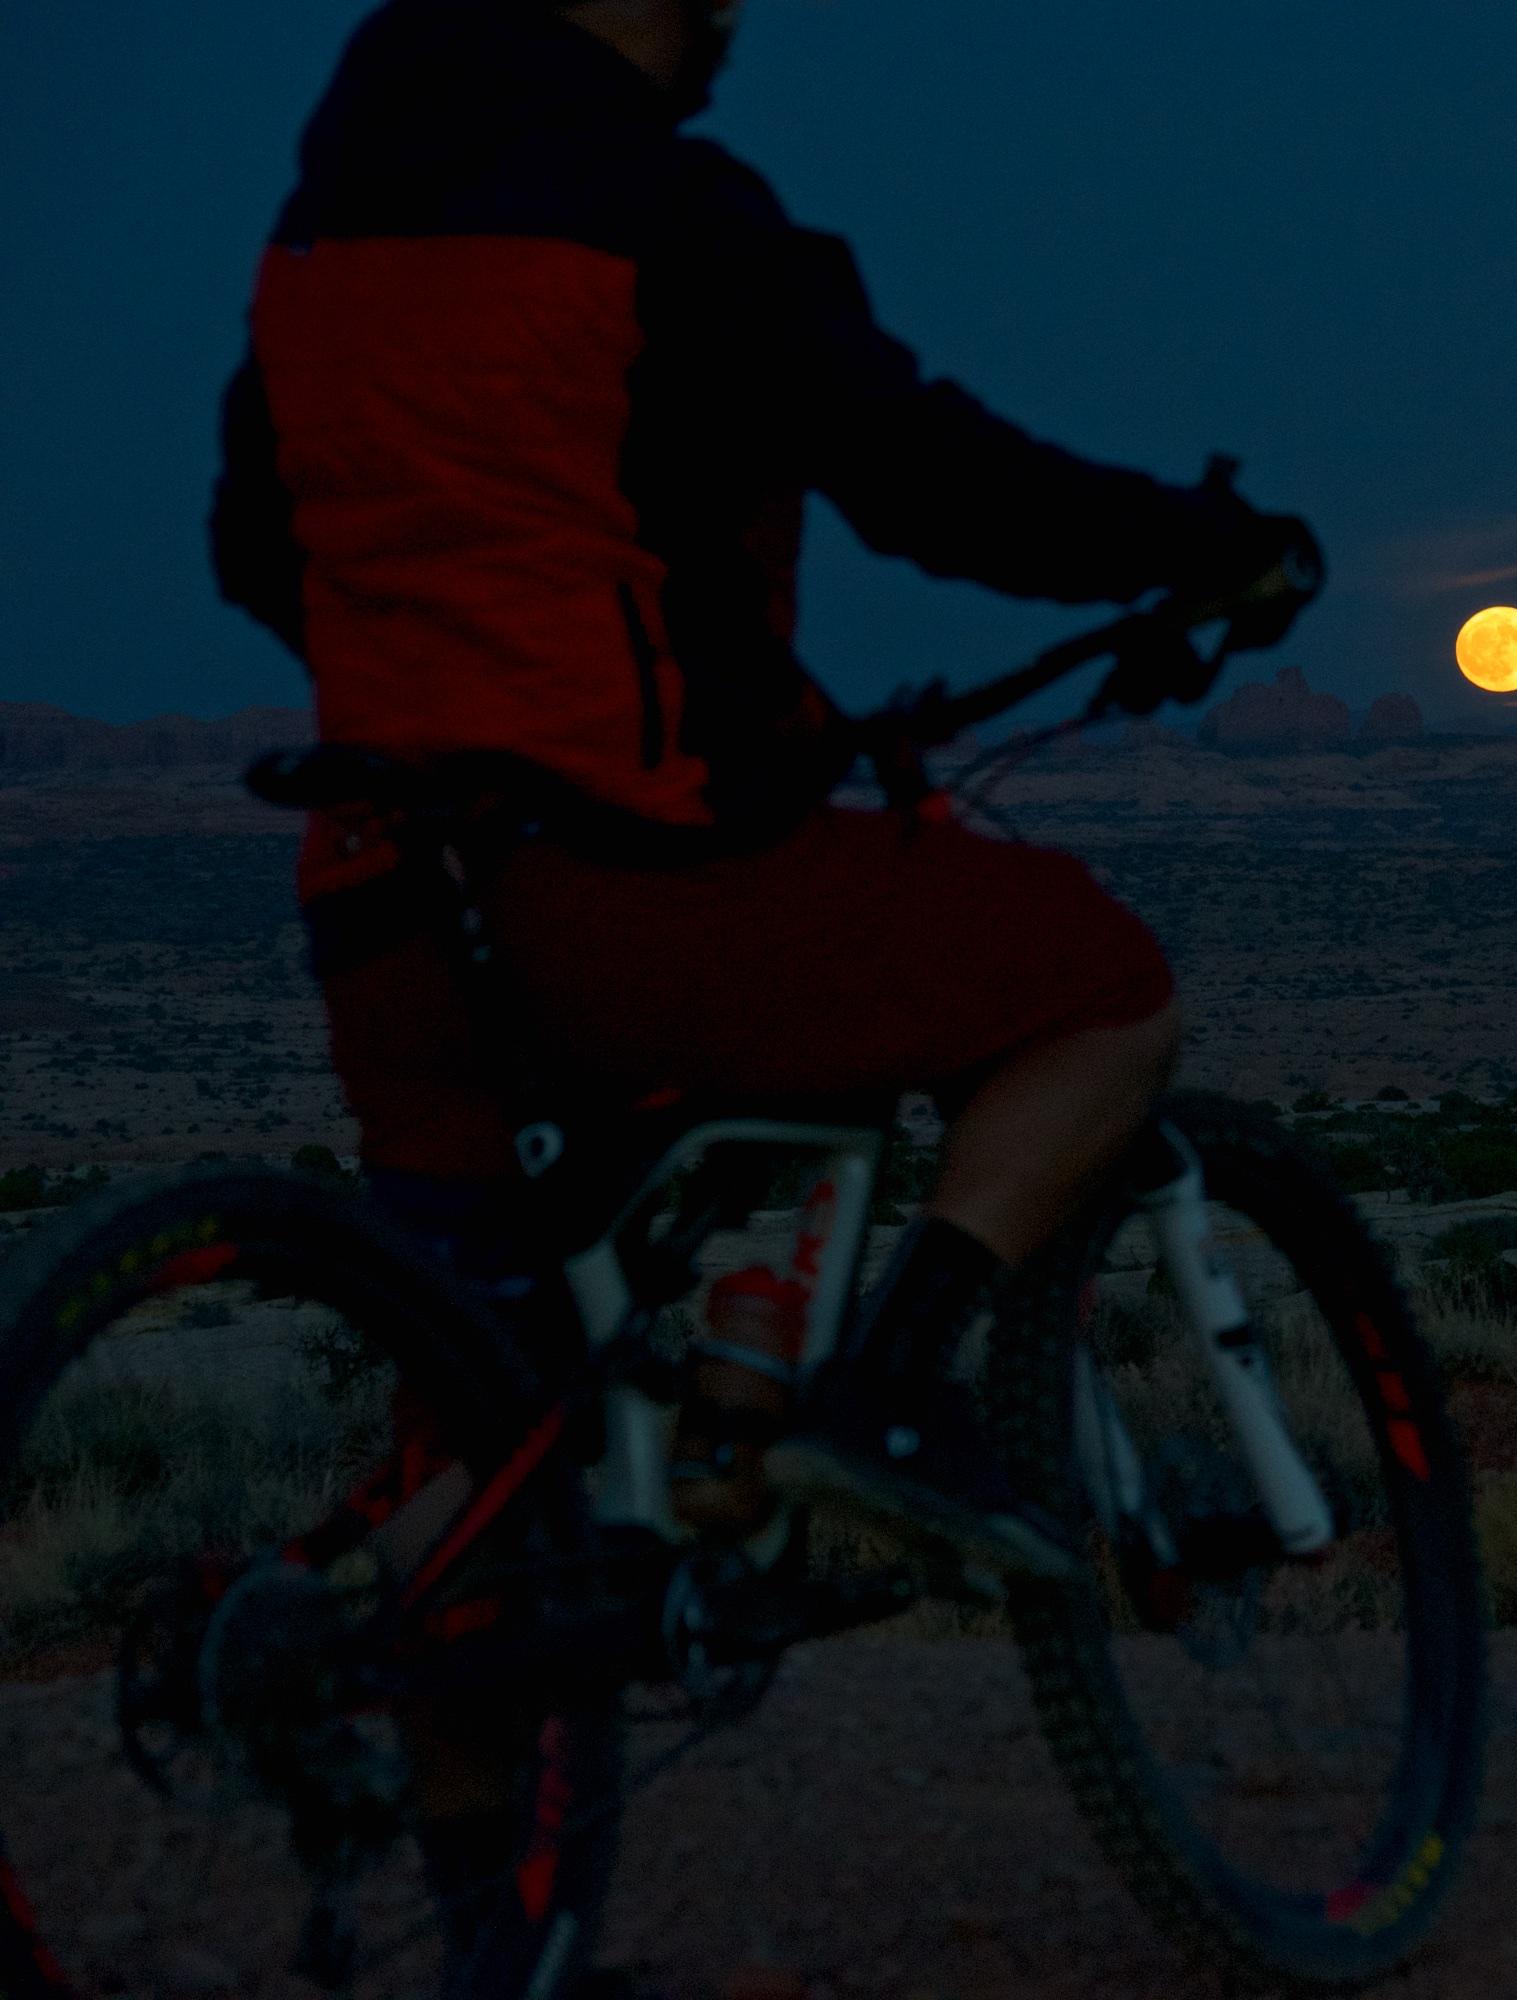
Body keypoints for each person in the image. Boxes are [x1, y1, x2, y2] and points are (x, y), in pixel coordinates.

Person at [211, 0, 1318, 1573]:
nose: (732, 10)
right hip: (620, 876)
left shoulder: (325, 251)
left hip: (387, 903)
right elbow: (929, 475)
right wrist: (1204, 551)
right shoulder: (667, 217)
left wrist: (474, 679)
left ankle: (379, 1699)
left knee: (498, 1439)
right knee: (1101, 989)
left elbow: (257, 544)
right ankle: (868, 1394)